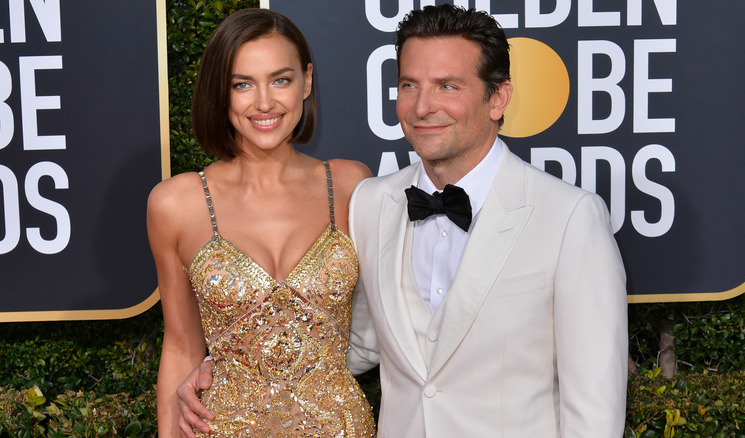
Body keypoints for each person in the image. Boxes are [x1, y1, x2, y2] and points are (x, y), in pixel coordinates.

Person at [178, 4, 628, 437]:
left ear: (498, 97)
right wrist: (234, 366)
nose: (423, 107)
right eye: (410, 85)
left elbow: (593, 408)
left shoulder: (570, 218)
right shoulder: (373, 201)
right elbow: (355, 341)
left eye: (448, 86)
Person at [147, 8, 375, 438]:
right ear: (221, 92)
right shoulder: (177, 203)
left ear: (307, 81)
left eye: (281, 79)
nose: (265, 102)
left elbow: (391, 318)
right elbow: (180, 346)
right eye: (242, 84)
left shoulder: (350, 185)